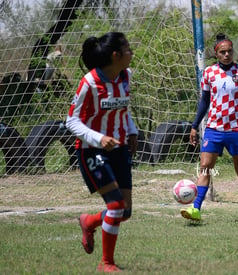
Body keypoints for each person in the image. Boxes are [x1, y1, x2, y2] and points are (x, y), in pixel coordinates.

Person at [66, 32, 138, 272]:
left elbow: (123, 111)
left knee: (124, 211)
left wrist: (133, 132)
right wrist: (98, 137)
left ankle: (89, 221)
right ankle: (106, 263)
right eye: (128, 49)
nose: (131, 52)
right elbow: (72, 121)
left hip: (119, 150)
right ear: (116, 55)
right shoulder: (89, 82)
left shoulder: (126, 76)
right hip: (91, 151)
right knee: (116, 206)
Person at [181, 33, 238, 222]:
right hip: (214, 128)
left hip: (237, 129)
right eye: (223, 52)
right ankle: (196, 209)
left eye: (230, 51)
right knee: (205, 167)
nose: (227, 55)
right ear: (217, 54)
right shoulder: (209, 73)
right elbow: (205, 102)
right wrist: (195, 126)